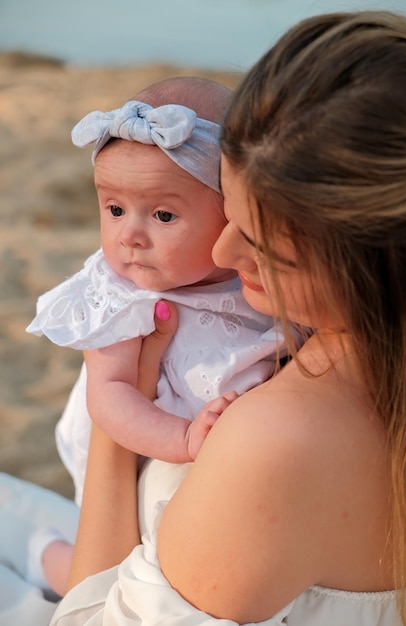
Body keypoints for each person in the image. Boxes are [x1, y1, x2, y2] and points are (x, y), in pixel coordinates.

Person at [49, 9, 406, 626]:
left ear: (374, 263)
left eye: (266, 246)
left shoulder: (275, 440)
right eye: (231, 219)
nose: (222, 255)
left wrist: (115, 400)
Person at [25, 76, 291, 597]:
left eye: (164, 215)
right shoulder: (125, 294)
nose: (130, 235)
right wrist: (181, 440)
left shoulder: (255, 282)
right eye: (114, 209)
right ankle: (47, 559)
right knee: (116, 565)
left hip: (215, 464)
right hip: (145, 451)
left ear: (230, 210)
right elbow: (111, 396)